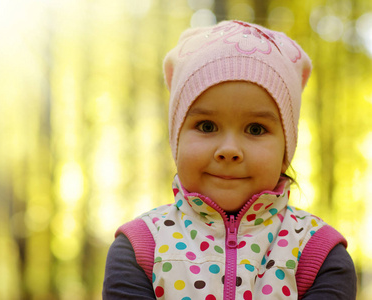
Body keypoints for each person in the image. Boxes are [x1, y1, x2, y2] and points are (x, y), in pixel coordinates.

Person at [102, 20, 357, 299]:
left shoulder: (318, 254)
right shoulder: (140, 249)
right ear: (176, 139)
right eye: (207, 126)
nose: (229, 149)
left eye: (256, 129)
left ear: (287, 149)